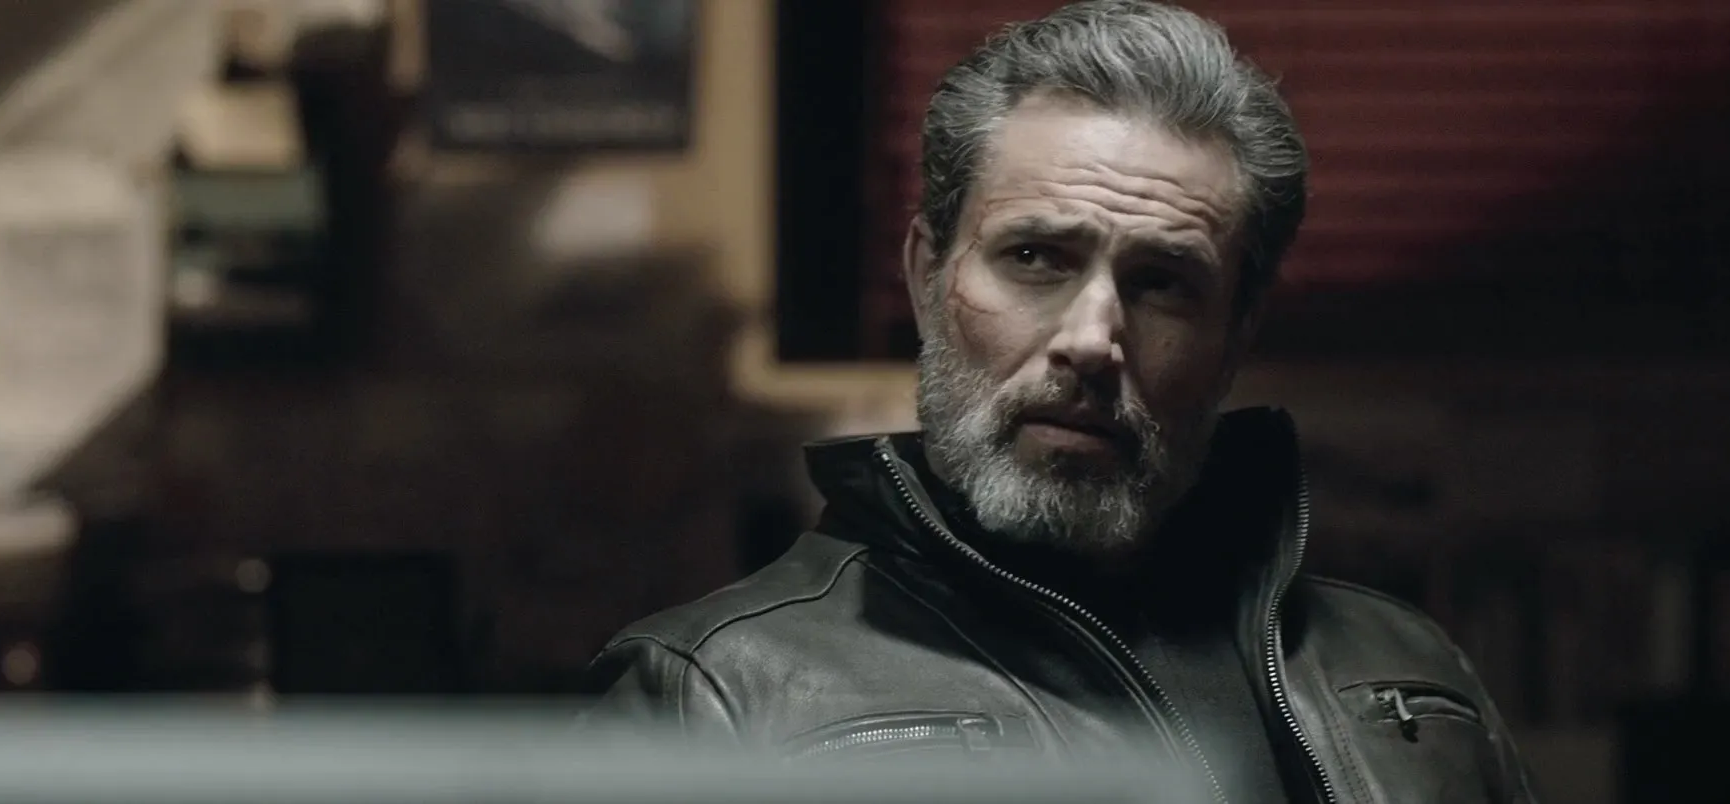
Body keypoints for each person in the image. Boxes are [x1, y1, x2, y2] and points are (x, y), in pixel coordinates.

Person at [584, 2, 1538, 802]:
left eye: (1162, 282)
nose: (1092, 338)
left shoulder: (1410, 672)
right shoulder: (714, 691)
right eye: (1035, 256)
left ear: (1237, 332)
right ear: (927, 275)